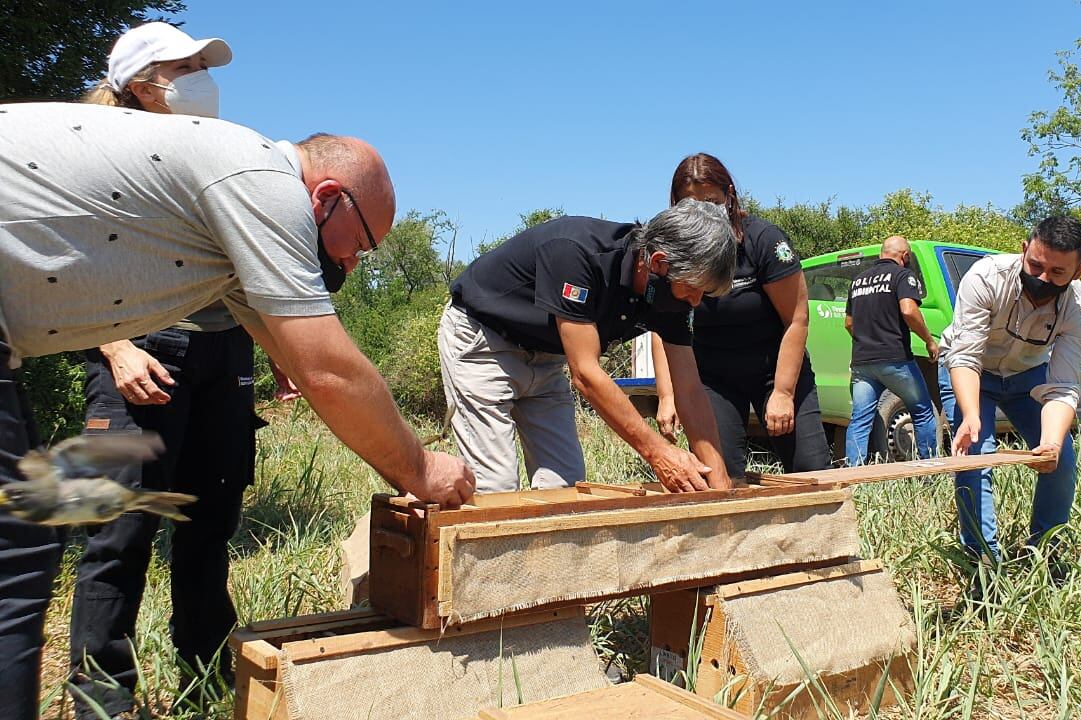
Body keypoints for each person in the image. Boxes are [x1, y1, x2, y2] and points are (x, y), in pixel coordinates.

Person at [0, 101, 475, 720]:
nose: (355, 265)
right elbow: (329, 372)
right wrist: (423, 468)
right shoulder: (263, 185)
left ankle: (203, 672)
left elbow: (308, 369)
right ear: (326, 197)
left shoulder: (229, 230)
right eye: (360, 245)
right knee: (18, 555)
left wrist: (401, 473)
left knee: (22, 548)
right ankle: (100, 701)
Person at [67, 22, 285, 716]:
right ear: (140, 84)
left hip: (222, 359)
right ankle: (104, 700)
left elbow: (241, 271)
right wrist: (115, 344)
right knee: (118, 535)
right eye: (183, 66)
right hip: (139, 355)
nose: (200, 76)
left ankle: (205, 683)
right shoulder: (92, 153)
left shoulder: (215, 154)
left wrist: (278, 350)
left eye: (201, 64)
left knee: (208, 529)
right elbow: (65, 262)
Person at [440, 200, 737, 494]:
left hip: (546, 356)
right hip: (483, 343)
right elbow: (585, 373)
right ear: (659, 263)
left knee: (566, 489)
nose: (696, 302)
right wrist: (660, 454)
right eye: (693, 288)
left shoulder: (672, 296)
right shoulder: (575, 252)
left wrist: (720, 481)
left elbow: (689, 390)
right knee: (496, 489)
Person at [938, 216, 1081, 588]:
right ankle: (983, 563)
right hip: (971, 374)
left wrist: (1052, 443)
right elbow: (964, 356)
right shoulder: (985, 277)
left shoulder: (1079, 309)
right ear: (1024, 249)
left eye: (1058, 272)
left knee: (1059, 457)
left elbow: (1062, 386)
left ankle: (1046, 551)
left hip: (1028, 378)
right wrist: (971, 415)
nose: (1042, 279)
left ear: (1079, 270)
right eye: (1036, 265)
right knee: (974, 454)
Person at [651, 153, 830, 478]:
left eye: (710, 201)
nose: (702, 212)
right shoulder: (671, 249)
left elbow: (797, 319)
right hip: (712, 378)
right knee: (719, 475)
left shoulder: (764, 240)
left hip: (774, 371)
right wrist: (667, 395)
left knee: (811, 472)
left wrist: (783, 393)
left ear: (728, 196)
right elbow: (662, 326)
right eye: (690, 204)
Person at [844, 235, 939, 465]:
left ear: (881, 253)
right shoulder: (903, 275)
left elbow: (848, 322)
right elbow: (908, 311)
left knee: (860, 419)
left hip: (862, 363)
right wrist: (928, 339)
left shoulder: (858, 281)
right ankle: (930, 472)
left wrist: (868, 341)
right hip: (895, 360)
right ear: (905, 256)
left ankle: (851, 476)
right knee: (923, 411)